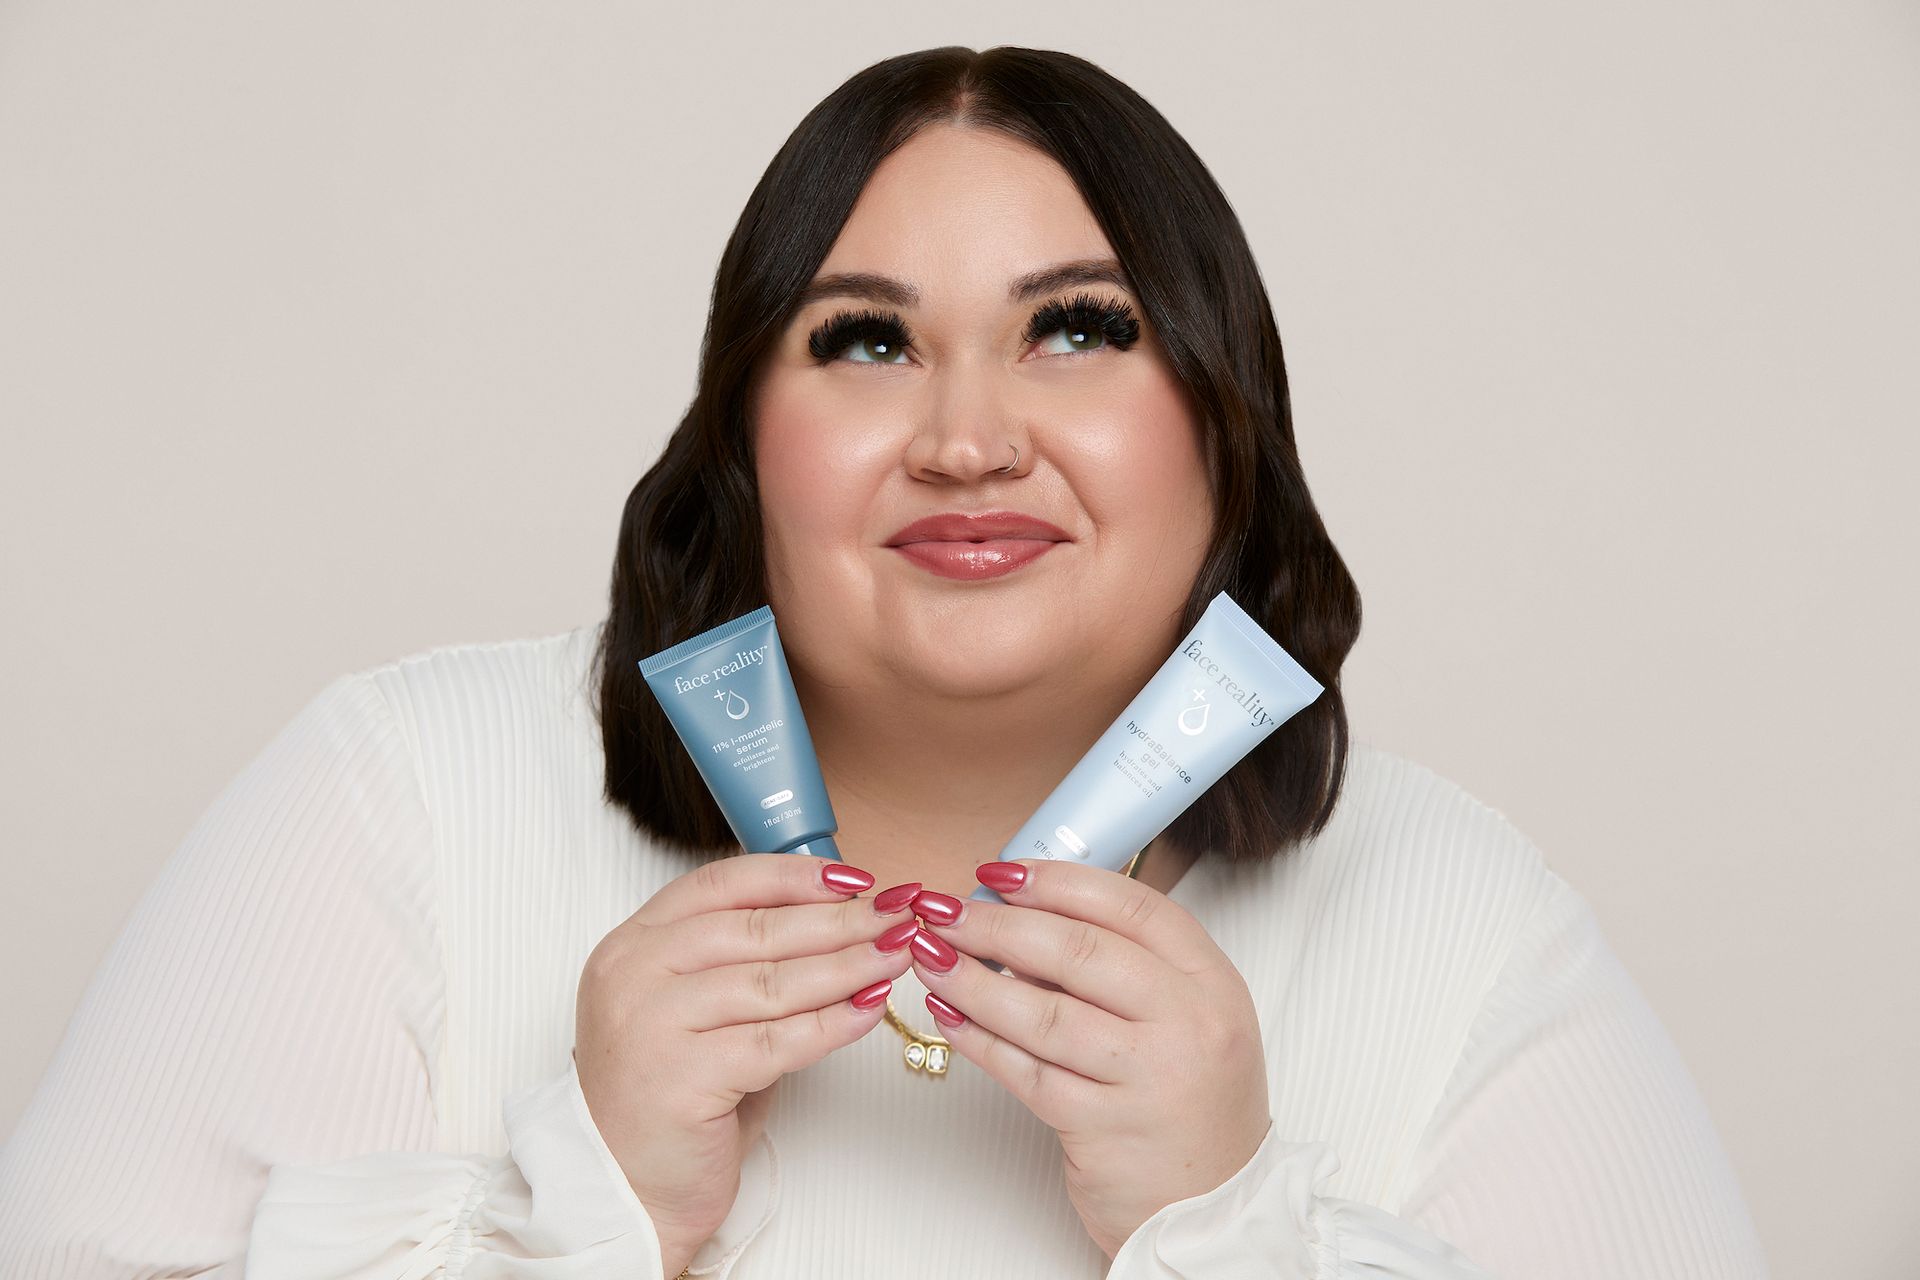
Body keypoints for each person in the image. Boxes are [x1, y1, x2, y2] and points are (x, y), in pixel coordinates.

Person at [0, 45, 1769, 1279]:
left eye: (1078, 328)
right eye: (864, 343)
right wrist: (597, 1214)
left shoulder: (1459, 924)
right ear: (742, 435)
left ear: (1224, 419)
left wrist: (1230, 1230)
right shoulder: (401, 801)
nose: (968, 441)